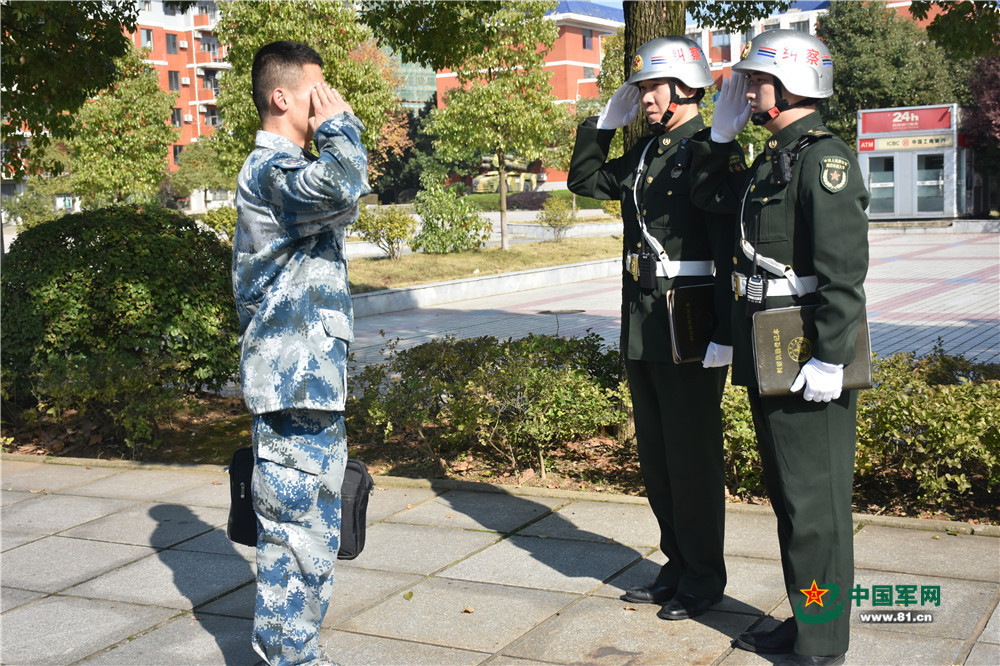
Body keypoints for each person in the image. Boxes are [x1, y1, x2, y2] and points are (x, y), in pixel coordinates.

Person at [691, 30, 869, 666]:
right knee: (792, 501)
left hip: (808, 350)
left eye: (753, 79)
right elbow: (709, 201)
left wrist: (830, 354)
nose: (744, 89)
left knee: (815, 507)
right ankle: (807, 615)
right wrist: (718, 140)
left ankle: (823, 639)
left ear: (788, 84)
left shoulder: (826, 161)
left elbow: (843, 274)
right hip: (771, 345)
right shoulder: (773, 158)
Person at [568, 36, 743, 621]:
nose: (642, 98)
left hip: (690, 323)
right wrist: (601, 124)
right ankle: (676, 560)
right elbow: (585, 181)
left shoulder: (713, 149)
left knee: (692, 457)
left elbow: (725, 248)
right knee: (659, 457)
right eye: (639, 89)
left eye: (651, 88)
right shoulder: (646, 153)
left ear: (687, 88)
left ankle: (704, 576)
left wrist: (726, 326)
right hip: (644, 320)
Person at [232, 40, 370, 666]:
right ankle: (286, 658)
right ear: (281, 96)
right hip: (290, 389)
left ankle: (301, 656)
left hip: (311, 386)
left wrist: (335, 131)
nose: (326, 102)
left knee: (315, 539)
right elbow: (347, 183)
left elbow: (343, 191)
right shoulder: (270, 170)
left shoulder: (293, 170)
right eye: (318, 90)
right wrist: (339, 124)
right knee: (290, 544)